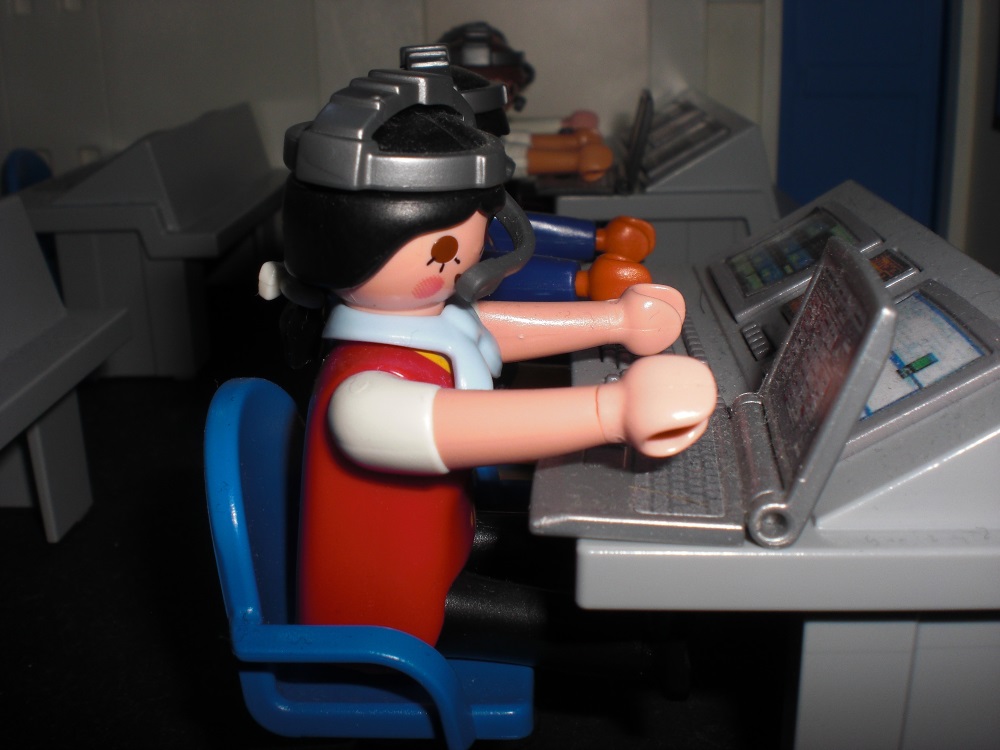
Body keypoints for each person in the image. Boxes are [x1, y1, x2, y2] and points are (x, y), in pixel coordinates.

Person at [270, 64, 717, 657]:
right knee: (611, 635)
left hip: (446, 541)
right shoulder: (362, 399)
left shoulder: (416, 324)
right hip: (393, 612)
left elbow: (487, 330)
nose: (471, 259)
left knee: (582, 555)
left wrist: (616, 321)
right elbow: (463, 425)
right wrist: (613, 410)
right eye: (448, 248)